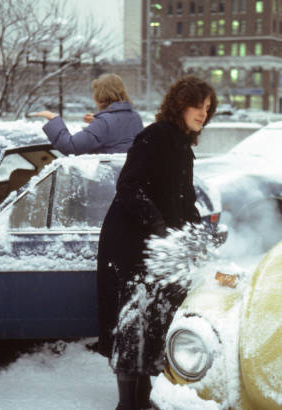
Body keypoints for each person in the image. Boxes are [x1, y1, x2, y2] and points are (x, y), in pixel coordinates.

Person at [96, 75, 217, 410]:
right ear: (180, 105)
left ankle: (142, 399)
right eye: (198, 106)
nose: (204, 113)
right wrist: (157, 224)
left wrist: (198, 235)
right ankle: (128, 404)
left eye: (208, 108)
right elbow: (129, 187)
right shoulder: (156, 136)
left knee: (152, 322)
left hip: (156, 246)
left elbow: (184, 201)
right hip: (130, 244)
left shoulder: (181, 145)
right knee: (132, 324)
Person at [32, 73, 143, 154]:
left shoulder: (104, 123)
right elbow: (119, 137)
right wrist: (98, 121)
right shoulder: (135, 117)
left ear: (100, 95)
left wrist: (53, 119)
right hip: (128, 176)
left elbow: (71, 146)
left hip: (109, 177)